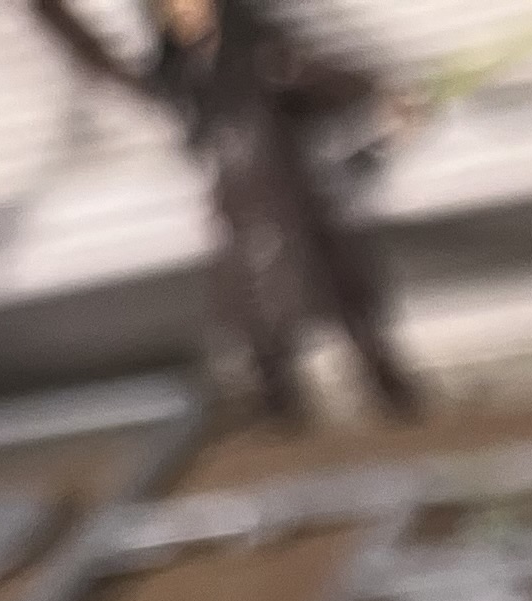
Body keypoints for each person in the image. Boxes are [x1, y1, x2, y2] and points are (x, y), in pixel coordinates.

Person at [24, 0, 421, 427]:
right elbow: (99, 63)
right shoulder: (178, 80)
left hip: (300, 211)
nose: (185, 11)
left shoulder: (263, 57)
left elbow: (339, 86)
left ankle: (399, 408)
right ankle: (285, 423)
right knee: (263, 340)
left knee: (352, 316)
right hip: (239, 224)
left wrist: (385, 105)